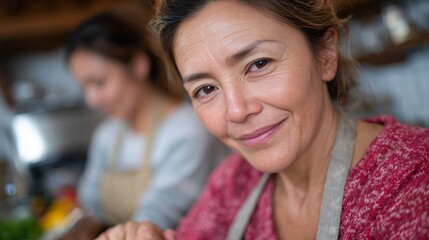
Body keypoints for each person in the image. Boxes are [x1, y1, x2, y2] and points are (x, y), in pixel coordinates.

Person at [96, 0, 429, 239]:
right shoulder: (232, 185)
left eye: (258, 65)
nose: (236, 111)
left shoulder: (414, 178)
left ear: (326, 54)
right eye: (206, 89)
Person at [58, 3, 230, 240]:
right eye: (84, 88)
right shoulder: (107, 135)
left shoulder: (186, 130)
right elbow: (90, 206)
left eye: (98, 83)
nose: (91, 100)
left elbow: (156, 216)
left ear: (139, 65)